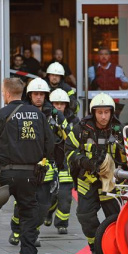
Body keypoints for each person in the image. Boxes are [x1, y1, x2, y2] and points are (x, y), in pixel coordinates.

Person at [0, 78, 54, 254]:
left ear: (7, 93)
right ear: (22, 93)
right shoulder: (38, 115)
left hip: (5, 175)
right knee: (28, 215)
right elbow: (50, 145)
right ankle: (28, 250)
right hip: (30, 175)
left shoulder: (0, 115)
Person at [65, 92, 128, 254]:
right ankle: (96, 246)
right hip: (87, 182)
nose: (103, 116)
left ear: (112, 112)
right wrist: (83, 161)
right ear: (93, 112)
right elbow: (69, 151)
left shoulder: (120, 130)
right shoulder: (81, 129)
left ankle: (118, 246)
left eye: (107, 112)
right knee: (85, 216)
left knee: (117, 219)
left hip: (112, 184)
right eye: (100, 112)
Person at [9, 78, 56, 248]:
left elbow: (67, 138)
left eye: (41, 94)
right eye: (35, 94)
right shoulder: (21, 112)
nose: (38, 97)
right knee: (23, 202)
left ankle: (32, 232)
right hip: (26, 165)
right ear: (29, 95)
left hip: (46, 166)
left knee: (43, 205)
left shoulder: (54, 115)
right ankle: (17, 230)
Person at [44, 89, 80, 234]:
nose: (59, 107)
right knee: (51, 194)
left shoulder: (73, 121)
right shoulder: (44, 118)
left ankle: (61, 223)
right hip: (50, 161)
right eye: (56, 103)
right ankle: (47, 213)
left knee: (65, 196)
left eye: (62, 104)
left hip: (66, 162)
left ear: (67, 105)